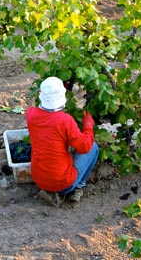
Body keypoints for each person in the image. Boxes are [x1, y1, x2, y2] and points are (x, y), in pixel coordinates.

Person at [26, 76, 99, 206]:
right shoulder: (65, 121)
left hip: (39, 179)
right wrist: (88, 126)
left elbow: (44, 112)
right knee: (92, 147)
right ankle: (77, 187)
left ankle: (49, 190)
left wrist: (57, 91)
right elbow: (84, 147)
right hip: (63, 183)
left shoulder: (31, 114)